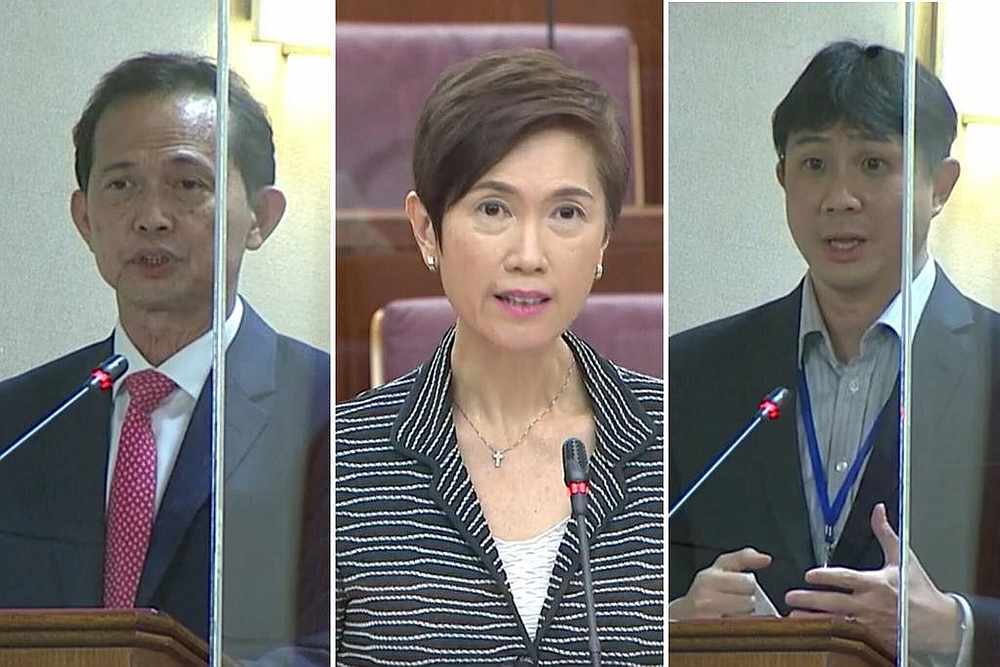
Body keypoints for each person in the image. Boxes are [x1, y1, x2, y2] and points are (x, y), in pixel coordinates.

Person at [669, 40, 1000, 664]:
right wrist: (674, 621)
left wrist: (956, 627)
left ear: (940, 186)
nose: (839, 197)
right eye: (814, 164)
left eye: (873, 164)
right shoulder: (690, 373)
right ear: (783, 180)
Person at [335, 48, 663, 665]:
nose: (529, 255)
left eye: (567, 213)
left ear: (604, 240)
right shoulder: (344, 460)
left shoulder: (674, 440)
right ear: (426, 229)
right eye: (493, 209)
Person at [0, 53, 330, 662]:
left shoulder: (333, 412)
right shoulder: (19, 421)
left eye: (188, 184)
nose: (151, 219)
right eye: (121, 186)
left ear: (261, 217)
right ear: (84, 218)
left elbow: (341, 643)